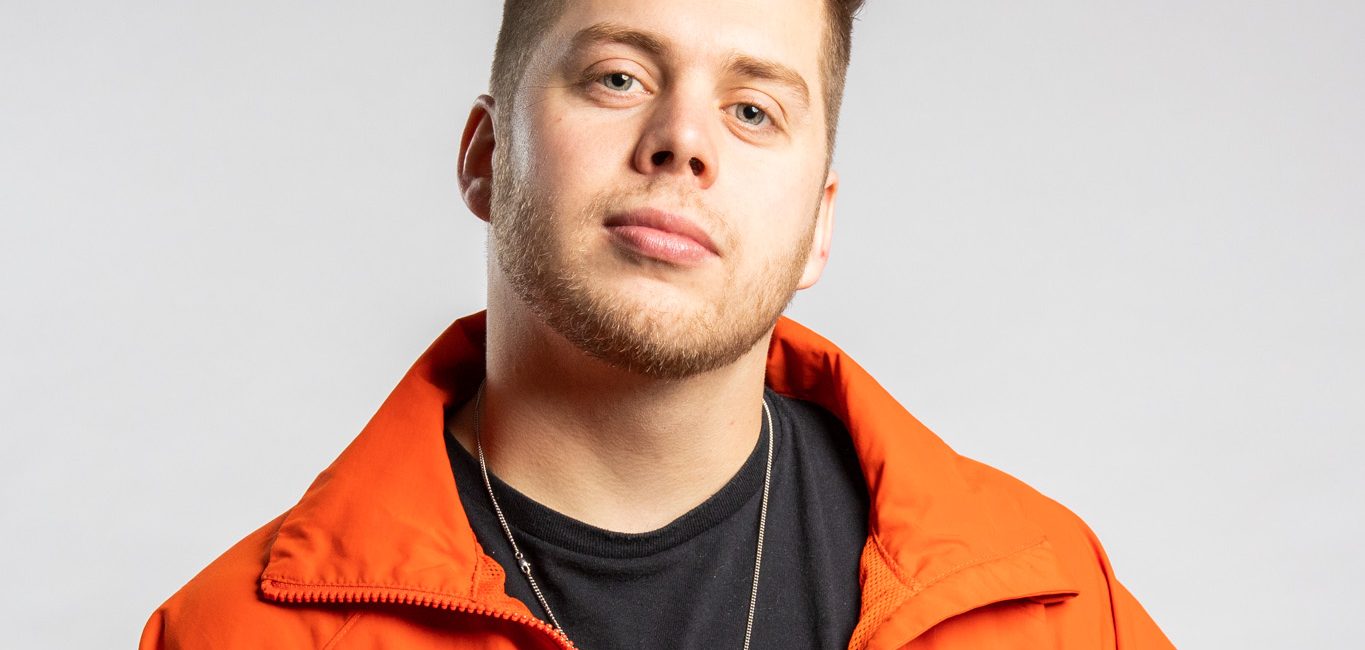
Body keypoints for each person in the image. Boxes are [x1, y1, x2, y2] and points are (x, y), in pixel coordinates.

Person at [140, 1, 1175, 648]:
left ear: (817, 228)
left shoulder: (1053, 606)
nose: (681, 139)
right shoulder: (232, 635)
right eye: (618, 77)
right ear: (487, 157)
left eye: (753, 109)